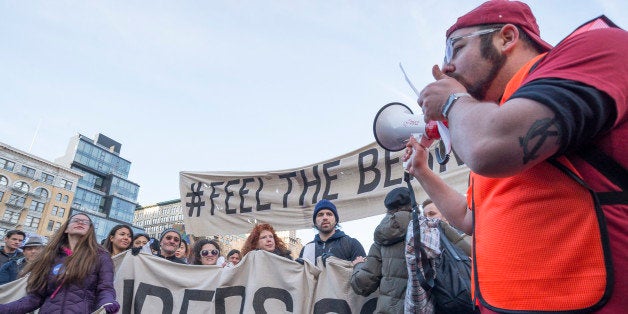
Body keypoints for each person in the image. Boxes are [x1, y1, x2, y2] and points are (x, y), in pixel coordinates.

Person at [404, 1, 627, 312]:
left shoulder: (596, 48)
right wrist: (422, 172)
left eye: (456, 49)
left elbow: (488, 148)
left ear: (506, 37)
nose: (448, 67)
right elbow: (471, 220)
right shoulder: (491, 117)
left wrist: (453, 101)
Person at [0, 213, 119, 313]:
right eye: (76, 220)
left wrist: (107, 303)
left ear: (90, 230)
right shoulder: (50, 256)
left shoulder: (101, 256)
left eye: (85, 222)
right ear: (66, 228)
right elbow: (35, 298)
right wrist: (4, 309)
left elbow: (105, 288)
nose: (81, 222)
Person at [350, 187, 413, 313]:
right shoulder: (432, 228)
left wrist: (358, 266)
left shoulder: (382, 240)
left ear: (388, 210)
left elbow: (363, 285)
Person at [299, 199, 366, 265]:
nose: (325, 217)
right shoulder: (307, 249)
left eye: (329, 214)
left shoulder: (351, 244)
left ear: (336, 220)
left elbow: (363, 273)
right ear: (315, 222)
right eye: (320, 214)